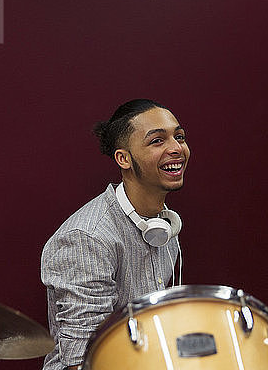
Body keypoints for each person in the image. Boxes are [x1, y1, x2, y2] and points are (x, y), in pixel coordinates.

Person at [40, 99, 191, 370]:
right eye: (158, 141)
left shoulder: (162, 224)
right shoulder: (87, 238)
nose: (176, 148)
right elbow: (84, 362)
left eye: (179, 137)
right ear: (123, 158)